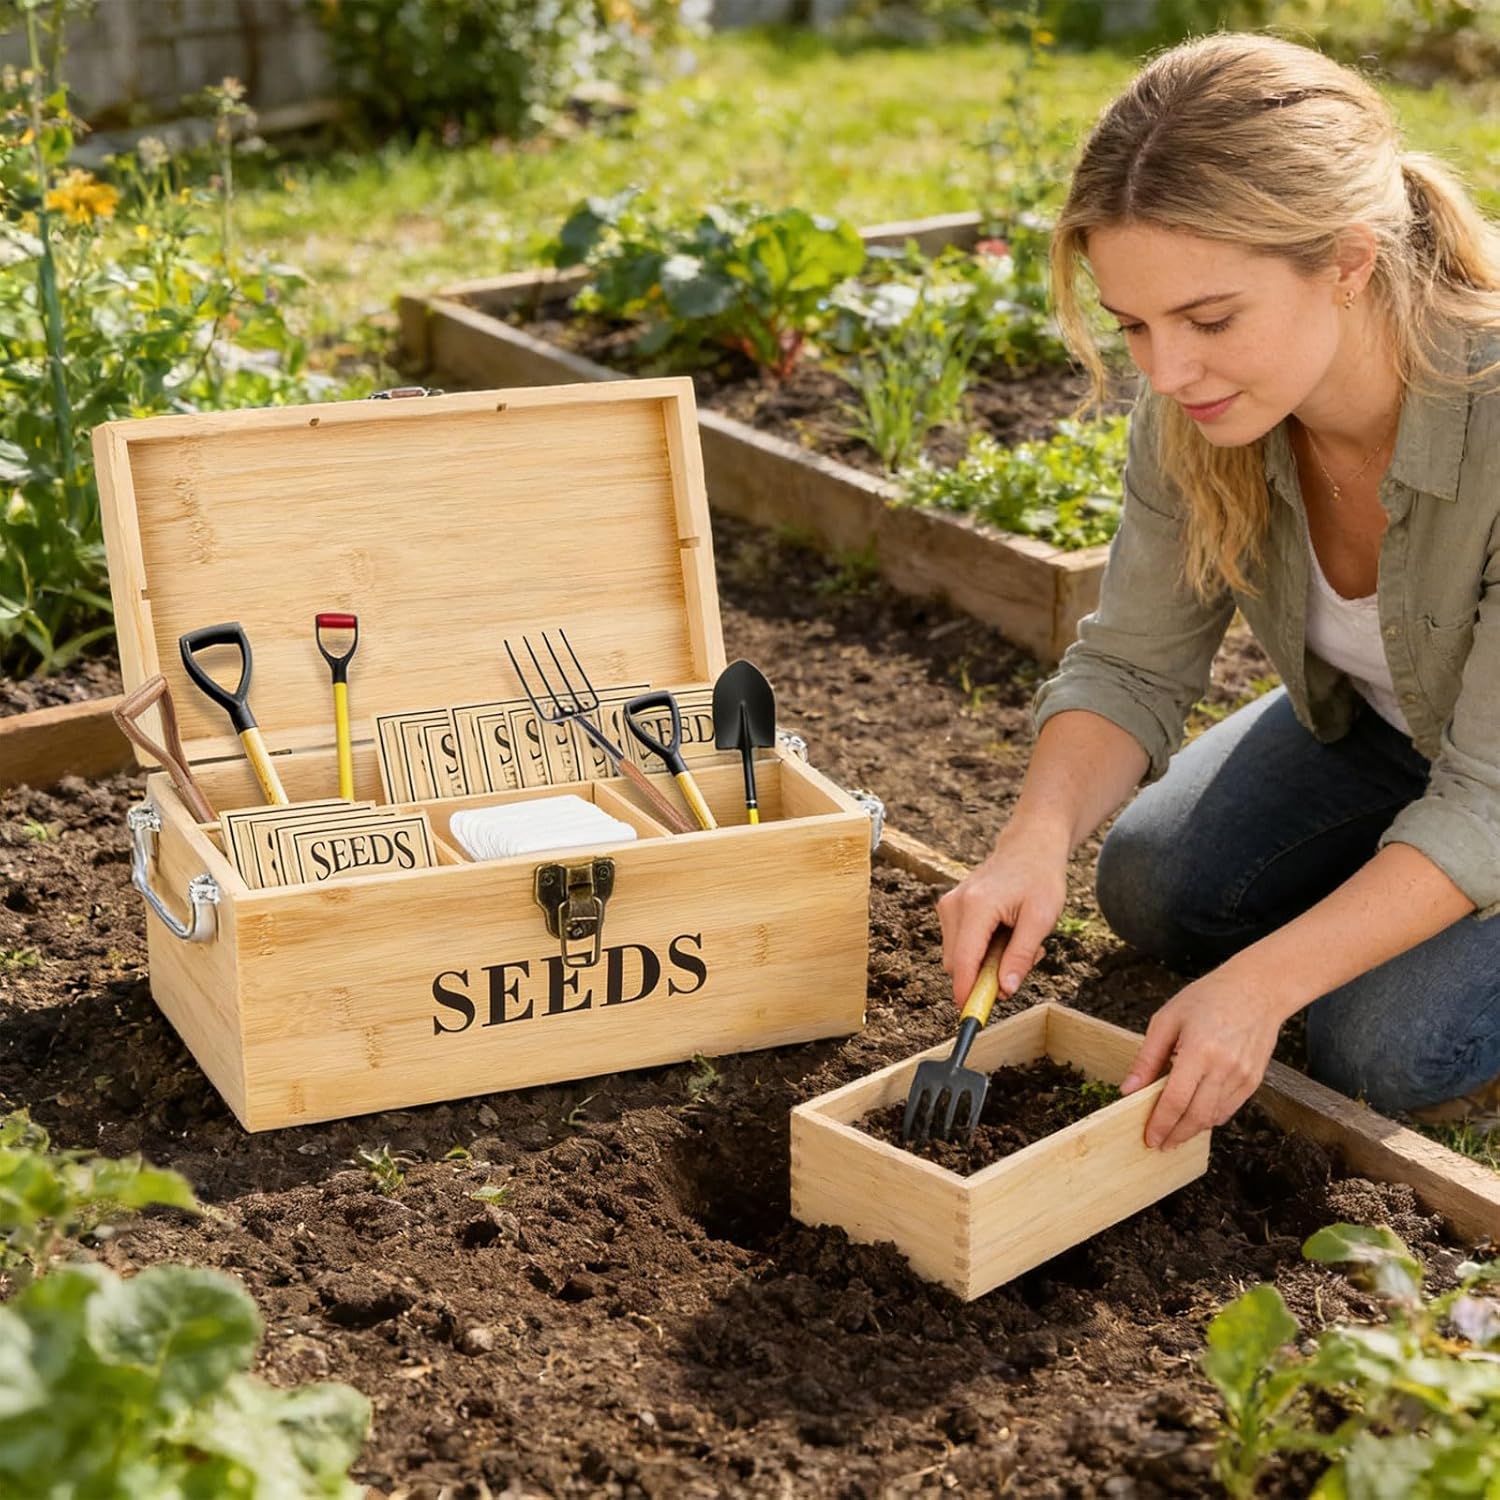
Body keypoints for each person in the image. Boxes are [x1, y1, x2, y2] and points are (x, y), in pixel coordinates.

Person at [938, 32, 1500, 1152]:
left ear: (1348, 262)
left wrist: (1262, 984)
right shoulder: (1205, 410)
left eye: (1208, 319)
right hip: (1398, 732)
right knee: (1152, 882)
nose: (1165, 370)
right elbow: (1132, 663)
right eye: (1133, 326)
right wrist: (1031, 841)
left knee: (1379, 1044)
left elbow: (1491, 796)